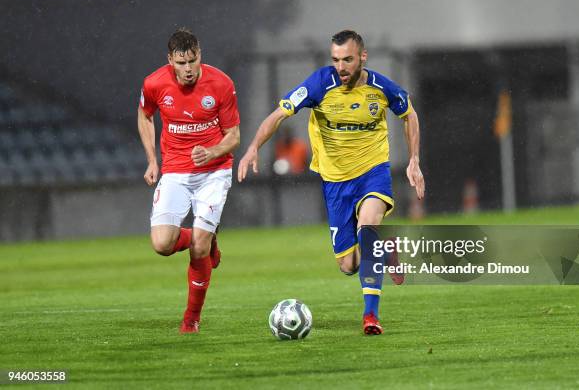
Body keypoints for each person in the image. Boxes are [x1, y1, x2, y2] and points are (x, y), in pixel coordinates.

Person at [238, 29, 425, 335]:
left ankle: (370, 315)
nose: (341, 67)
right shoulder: (319, 83)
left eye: (348, 59)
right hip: (335, 182)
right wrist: (252, 148)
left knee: (368, 229)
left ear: (362, 57)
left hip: (372, 172)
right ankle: (386, 247)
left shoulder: (381, 87)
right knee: (348, 265)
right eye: (336, 59)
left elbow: (409, 114)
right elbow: (278, 115)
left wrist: (414, 159)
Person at [137, 28, 240, 334]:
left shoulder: (221, 84)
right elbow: (145, 115)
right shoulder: (154, 83)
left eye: (192, 61)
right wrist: (152, 160)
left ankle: (190, 320)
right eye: (181, 63)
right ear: (170, 60)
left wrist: (211, 152)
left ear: (200, 56)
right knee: (162, 244)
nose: (188, 69)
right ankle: (206, 240)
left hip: (214, 171)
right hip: (175, 171)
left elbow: (233, 136)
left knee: (198, 247)